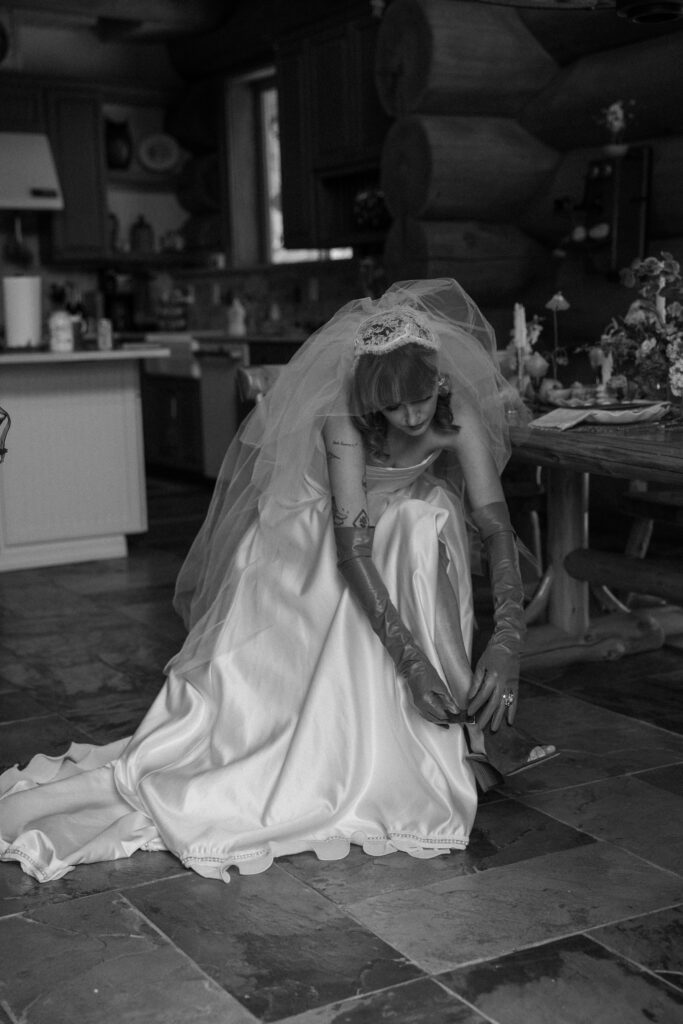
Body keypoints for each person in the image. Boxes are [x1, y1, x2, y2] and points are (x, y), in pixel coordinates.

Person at [0, 278, 553, 884]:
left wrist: (509, 640)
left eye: (421, 399)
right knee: (411, 528)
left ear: (438, 382)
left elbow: (496, 527)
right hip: (318, 535)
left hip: (404, 524)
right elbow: (353, 551)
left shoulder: (456, 412)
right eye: (395, 408)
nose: (414, 417)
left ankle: (455, 732)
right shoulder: (345, 422)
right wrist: (412, 663)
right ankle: (414, 732)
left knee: (424, 520)